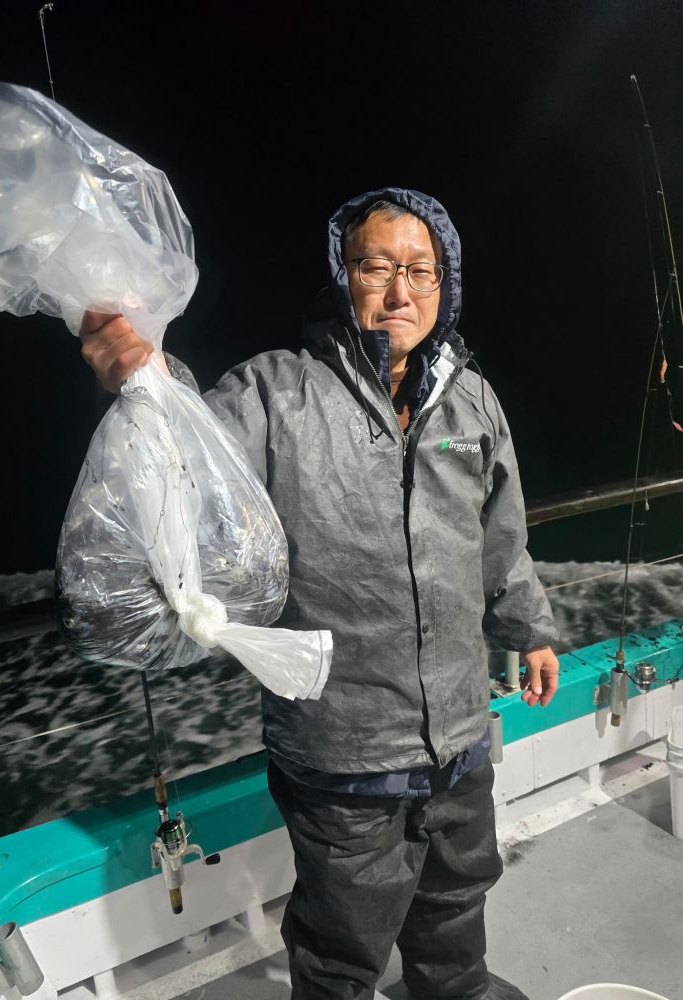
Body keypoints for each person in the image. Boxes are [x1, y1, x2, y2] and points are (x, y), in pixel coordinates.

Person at [79, 187, 560, 1000]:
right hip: (343, 749)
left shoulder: (471, 398)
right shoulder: (278, 391)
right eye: (377, 267)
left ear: (445, 288)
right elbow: (191, 464)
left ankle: (457, 987)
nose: (400, 290)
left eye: (421, 271)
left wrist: (530, 629)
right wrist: (144, 381)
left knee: (456, 895)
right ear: (343, 277)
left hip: (459, 731)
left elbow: (499, 535)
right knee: (342, 937)